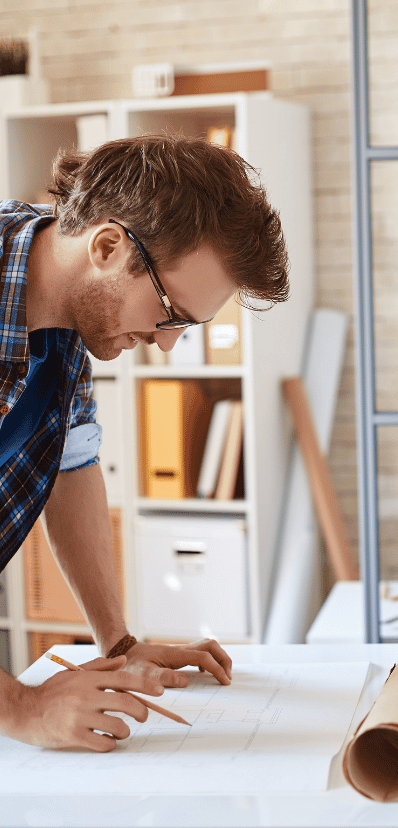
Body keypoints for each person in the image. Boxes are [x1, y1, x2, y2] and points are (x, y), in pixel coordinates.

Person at [0, 134, 289, 752]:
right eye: (169, 314)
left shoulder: (66, 307)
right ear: (107, 246)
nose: (164, 344)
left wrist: (118, 643)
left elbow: (71, 467)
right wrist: (23, 708)